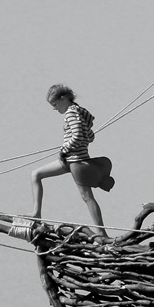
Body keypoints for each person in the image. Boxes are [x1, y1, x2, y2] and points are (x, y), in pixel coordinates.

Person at [30, 84, 114, 237]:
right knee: (36, 174)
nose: (54, 108)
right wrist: (68, 147)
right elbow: (90, 137)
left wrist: (64, 149)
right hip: (73, 160)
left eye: (54, 104)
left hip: (75, 161)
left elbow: (77, 136)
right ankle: (36, 213)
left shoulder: (70, 113)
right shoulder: (79, 113)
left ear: (63, 98)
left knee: (87, 197)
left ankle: (101, 232)